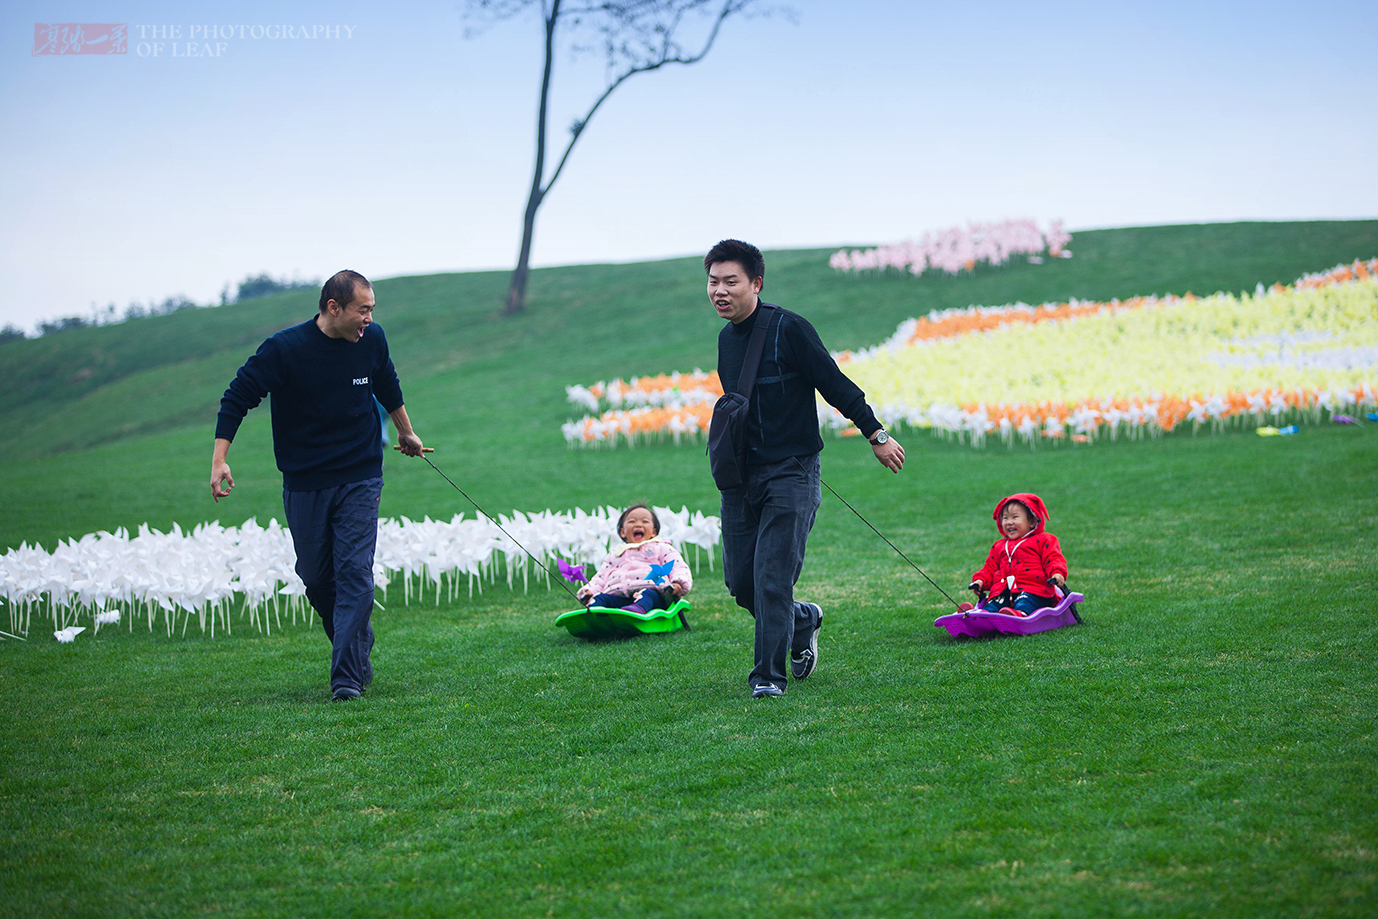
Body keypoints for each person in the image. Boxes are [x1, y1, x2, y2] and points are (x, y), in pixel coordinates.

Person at [210, 270, 425, 701]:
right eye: (362, 310)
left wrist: (406, 431)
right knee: (315, 577)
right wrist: (219, 459)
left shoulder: (372, 340)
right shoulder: (284, 350)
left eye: (372, 310)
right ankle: (358, 645)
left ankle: (346, 680)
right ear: (333, 308)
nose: (369, 319)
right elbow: (237, 397)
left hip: (361, 474)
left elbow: (386, 382)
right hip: (305, 481)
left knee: (354, 574)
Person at [706, 239, 905, 699]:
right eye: (714, 282)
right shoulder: (725, 341)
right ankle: (803, 619)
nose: (720, 291)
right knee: (741, 583)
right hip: (741, 477)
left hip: (791, 473)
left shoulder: (788, 328)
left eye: (730, 281)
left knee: (772, 578)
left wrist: (875, 434)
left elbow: (833, 383)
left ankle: (768, 679)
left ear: (756, 283)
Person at [577, 504, 693, 612]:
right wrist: (589, 591)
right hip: (619, 598)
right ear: (622, 532)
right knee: (600, 598)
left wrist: (678, 583)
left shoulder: (661, 548)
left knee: (647, 594)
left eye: (645, 521)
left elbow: (678, 566)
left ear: (654, 532)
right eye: (632, 521)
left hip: (655, 596)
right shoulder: (616, 554)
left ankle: (638, 610)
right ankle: (593, 612)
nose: (638, 524)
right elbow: (600, 577)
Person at [968, 493, 1068, 616]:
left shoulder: (1044, 540)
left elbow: (1053, 559)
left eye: (1015, 517)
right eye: (1005, 518)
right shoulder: (999, 546)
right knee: (995, 602)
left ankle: (1019, 615)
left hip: (1034, 590)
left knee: (1024, 601)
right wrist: (980, 581)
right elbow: (990, 568)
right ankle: (981, 615)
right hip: (1004, 591)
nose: (1009, 522)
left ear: (1032, 521)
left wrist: (1057, 573)